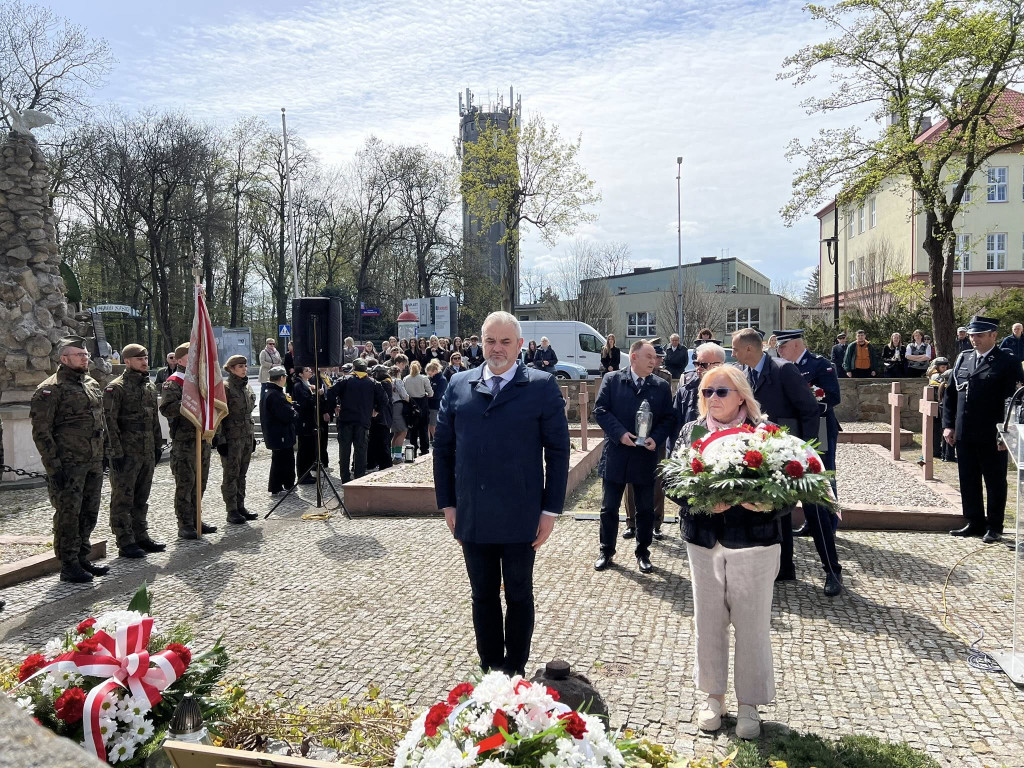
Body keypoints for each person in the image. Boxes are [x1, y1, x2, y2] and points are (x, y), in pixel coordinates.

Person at [433, 311, 570, 676]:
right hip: (472, 510)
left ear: (520, 345)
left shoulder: (540, 386)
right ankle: (491, 668)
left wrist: (550, 510)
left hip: (521, 512)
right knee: (483, 594)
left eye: (505, 341)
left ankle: (515, 669)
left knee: (519, 594)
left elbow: (558, 451)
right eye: (491, 340)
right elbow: (443, 448)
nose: (497, 348)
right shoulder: (459, 384)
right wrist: (447, 501)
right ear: (481, 342)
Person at [669, 364, 784, 740]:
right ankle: (713, 697)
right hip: (704, 540)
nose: (712, 399)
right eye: (706, 392)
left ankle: (750, 703)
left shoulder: (765, 433)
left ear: (741, 396)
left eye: (720, 392)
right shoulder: (691, 432)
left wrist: (770, 505)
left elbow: (791, 484)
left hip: (754, 541)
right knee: (708, 621)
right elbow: (672, 482)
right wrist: (699, 504)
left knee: (751, 625)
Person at [731, 327, 820, 582]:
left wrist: (803, 450)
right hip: (759, 451)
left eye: (735, 348)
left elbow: (809, 410)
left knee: (781, 510)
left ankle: (785, 567)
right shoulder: (745, 373)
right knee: (764, 507)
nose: (733, 353)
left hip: (785, 451)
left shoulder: (783, 370)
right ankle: (770, 565)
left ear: (749, 349)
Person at [31, 336, 110, 582]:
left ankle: (82, 557)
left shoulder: (90, 383)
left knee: (89, 512)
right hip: (68, 464)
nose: (85, 358)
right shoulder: (50, 389)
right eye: (79, 355)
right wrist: (54, 467)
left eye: (86, 354)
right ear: (64, 359)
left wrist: (105, 453)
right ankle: (68, 564)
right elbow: (41, 432)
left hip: (93, 460)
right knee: (68, 514)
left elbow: (101, 421)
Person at [593, 340, 674, 574]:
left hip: (644, 456)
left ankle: (643, 553)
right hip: (617, 454)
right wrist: (620, 434)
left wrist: (656, 438)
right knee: (609, 508)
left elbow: (668, 418)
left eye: (655, 357)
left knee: (645, 509)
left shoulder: (660, 385)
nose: (654, 360)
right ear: (633, 357)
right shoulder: (613, 380)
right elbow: (601, 410)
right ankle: (606, 550)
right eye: (649, 356)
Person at [775, 330, 843, 596]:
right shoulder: (781, 367)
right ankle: (788, 561)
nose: (778, 351)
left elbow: (833, 397)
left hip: (820, 429)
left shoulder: (819, 364)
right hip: (790, 431)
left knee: (821, 482)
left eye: (782, 346)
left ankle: (830, 525)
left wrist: (807, 397)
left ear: (794, 345)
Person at [943, 316, 1020, 543]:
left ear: (993, 336)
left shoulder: (1007, 361)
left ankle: (994, 525)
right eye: (972, 335)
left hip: (992, 433)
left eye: (979, 335)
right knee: (968, 478)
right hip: (965, 431)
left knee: (995, 480)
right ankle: (974, 521)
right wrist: (948, 425)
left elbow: (1014, 401)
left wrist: (1007, 433)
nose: (974, 339)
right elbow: (951, 395)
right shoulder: (963, 359)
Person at [103, 343, 165, 559]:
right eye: (139, 359)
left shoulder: (148, 387)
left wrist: (158, 445)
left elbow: (154, 419)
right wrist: (115, 452)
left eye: (146, 358)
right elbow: (109, 423)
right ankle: (125, 540)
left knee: (141, 497)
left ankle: (141, 535)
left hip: (146, 450)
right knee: (123, 498)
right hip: (126, 453)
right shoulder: (116, 388)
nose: (144, 362)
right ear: (127, 361)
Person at [160, 342, 216, 540]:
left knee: (200, 483)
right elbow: (166, 409)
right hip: (184, 441)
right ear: (182, 359)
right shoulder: (174, 382)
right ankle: (184, 523)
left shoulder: (202, 381)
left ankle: (196, 518)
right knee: (185, 483)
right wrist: (189, 400)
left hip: (202, 439)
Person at [332, 357, 387, 482]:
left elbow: (330, 393)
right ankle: (359, 478)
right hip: (363, 421)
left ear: (354, 368)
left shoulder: (344, 380)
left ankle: (345, 478)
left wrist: (334, 407)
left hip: (346, 420)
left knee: (344, 451)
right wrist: (376, 410)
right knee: (361, 451)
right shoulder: (373, 382)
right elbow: (384, 399)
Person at [218, 355, 258, 519]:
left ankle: (241, 505)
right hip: (231, 437)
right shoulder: (225, 388)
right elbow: (219, 415)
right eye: (240, 366)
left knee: (242, 473)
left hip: (246, 435)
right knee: (231, 474)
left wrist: (252, 436)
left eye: (245, 366)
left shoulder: (246, 387)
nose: (244, 369)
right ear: (231, 369)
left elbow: (249, 414)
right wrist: (221, 440)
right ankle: (231, 509)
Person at [670, 343, 725, 450]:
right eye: (696, 364)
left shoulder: (731, 392)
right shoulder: (685, 390)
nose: (698, 368)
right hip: (689, 453)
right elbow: (674, 429)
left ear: (719, 365)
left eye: (703, 364)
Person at [263, 366, 298, 493]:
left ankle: (282, 484)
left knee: (283, 459)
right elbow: (286, 415)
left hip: (278, 432)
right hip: (280, 433)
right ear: (282, 378)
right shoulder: (275, 395)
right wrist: (294, 412)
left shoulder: (272, 392)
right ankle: (280, 485)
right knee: (282, 460)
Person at [292, 366, 319, 483]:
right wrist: (315, 394)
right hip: (304, 421)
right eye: (307, 370)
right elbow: (305, 402)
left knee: (309, 449)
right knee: (304, 450)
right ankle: (303, 475)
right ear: (301, 374)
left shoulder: (306, 384)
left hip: (309, 420)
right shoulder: (299, 386)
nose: (310, 372)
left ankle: (307, 473)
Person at [404, 360, 434, 456]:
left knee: (413, 429)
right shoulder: (424, 378)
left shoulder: (406, 379)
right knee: (423, 428)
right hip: (422, 403)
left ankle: (413, 449)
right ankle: (424, 448)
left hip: (411, 404)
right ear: (420, 368)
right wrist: (425, 394)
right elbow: (431, 393)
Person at [927, 357, 955, 462]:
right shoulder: (936, 376)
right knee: (937, 430)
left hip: (942, 406)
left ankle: (945, 454)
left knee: (944, 429)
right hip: (939, 406)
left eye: (945, 366)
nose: (944, 368)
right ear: (937, 367)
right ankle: (939, 452)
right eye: (942, 367)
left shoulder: (945, 375)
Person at [368, 365, 394, 471]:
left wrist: (376, 409)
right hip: (382, 417)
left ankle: (385, 465)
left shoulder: (385, 383)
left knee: (382, 443)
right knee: (377, 442)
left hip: (381, 417)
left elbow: (383, 400)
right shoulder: (384, 383)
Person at [390, 364, 410, 462]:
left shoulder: (388, 381)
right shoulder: (397, 381)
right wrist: (410, 400)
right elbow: (403, 394)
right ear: (398, 372)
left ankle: (393, 454)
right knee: (403, 431)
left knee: (396, 433)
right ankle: (397, 456)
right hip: (398, 406)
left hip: (391, 407)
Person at [426, 359, 447, 443]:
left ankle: (438, 442)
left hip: (435, 406)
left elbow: (438, 395)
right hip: (428, 405)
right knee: (428, 426)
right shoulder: (430, 378)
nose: (428, 373)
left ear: (435, 370)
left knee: (433, 426)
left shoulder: (442, 380)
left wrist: (428, 395)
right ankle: (428, 442)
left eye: (429, 371)